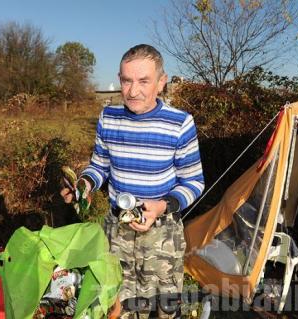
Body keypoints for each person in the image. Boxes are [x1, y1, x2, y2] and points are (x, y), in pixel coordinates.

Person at [61, 44, 204, 319]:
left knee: (165, 308)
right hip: (117, 232)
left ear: (161, 82)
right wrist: (84, 185)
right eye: (126, 80)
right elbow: (99, 166)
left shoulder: (180, 123)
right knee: (117, 307)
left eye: (143, 81)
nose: (133, 90)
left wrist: (163, 205)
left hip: (162, 234)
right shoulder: (109, 118)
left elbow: (194, 181)